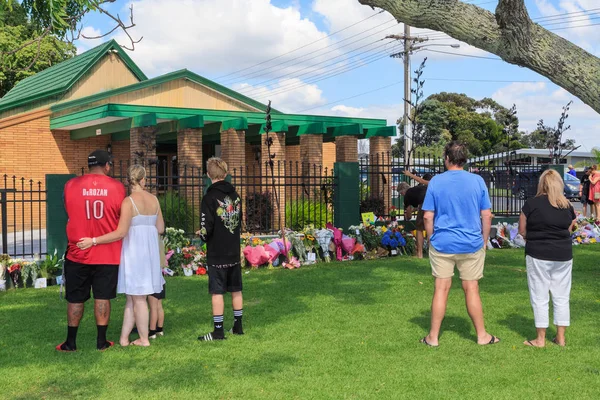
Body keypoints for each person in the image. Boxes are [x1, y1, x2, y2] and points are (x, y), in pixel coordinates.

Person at [420, 141, 499, 347]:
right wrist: (483, 239)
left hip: (442, 242)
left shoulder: (436, 182)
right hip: (471, 243)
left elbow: (428, 216)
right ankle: (482, 336)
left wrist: (431, 238)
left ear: (446, 158)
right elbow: (486, 214)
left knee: (441, 288)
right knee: (471, 288)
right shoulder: (477, 181)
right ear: (464, 158)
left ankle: (433, 337)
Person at [78, 165, 165, 347]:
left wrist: (93, 240)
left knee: (138, 298)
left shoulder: (128, 202)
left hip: (135, 254)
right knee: (132, 298)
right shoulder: (154, 200)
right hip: (148, 254)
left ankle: (143, 339)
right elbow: (161, 228)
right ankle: (124, 339)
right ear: (143, 180)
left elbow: (120, 233)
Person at [57, 150, 126, 352]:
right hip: (107, 253)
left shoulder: (71, 185)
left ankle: (70, 342)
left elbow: (68, 209)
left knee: (75, 298)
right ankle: (101, 342)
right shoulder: (117, 187)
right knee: (102, 297)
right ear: (107, 166)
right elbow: (121, 215)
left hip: (78, 252)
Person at [518, 169, 576, 347]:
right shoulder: (567, 206)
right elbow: (571, 227)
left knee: (539, 295)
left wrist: (533, 238)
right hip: (563, 254)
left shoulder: (531, 204)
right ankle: (560, 337)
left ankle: (540, 339)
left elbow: (522, 230)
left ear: (541, 184)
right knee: (561, 296)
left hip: (538, 253)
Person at [197, 157, 243, 341]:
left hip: (217, 251)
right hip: (233, 249)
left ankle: (218, 331)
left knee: (217, 292)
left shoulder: (209, 197)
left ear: (208, 175)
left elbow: (205, 226)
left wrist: (201, 235)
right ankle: (238, 326)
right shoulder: (235, 196)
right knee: (235, 288)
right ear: (225, 173)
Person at [398, 182, 428, 258]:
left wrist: (407, 215)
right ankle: (433, 251)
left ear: (403, 190)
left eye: (401, 194)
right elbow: (417, 206)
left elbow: (409, 216)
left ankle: (419, 253)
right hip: (434, 203)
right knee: (431, 228)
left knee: (419, 228)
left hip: (424, 204)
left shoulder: (407, 196)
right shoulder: (416, 189)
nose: (402, 195)